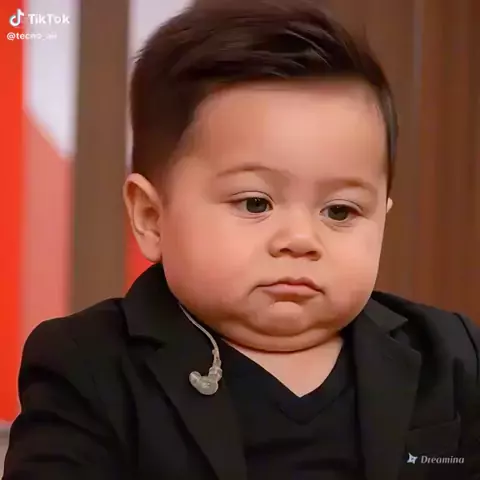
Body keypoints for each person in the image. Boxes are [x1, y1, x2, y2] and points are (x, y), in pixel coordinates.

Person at [3, 1, 480, 479]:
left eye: (340, 211)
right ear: (151, 217)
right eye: (255, 203)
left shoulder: (452, 357)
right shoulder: (91, 366)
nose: (300, 239)